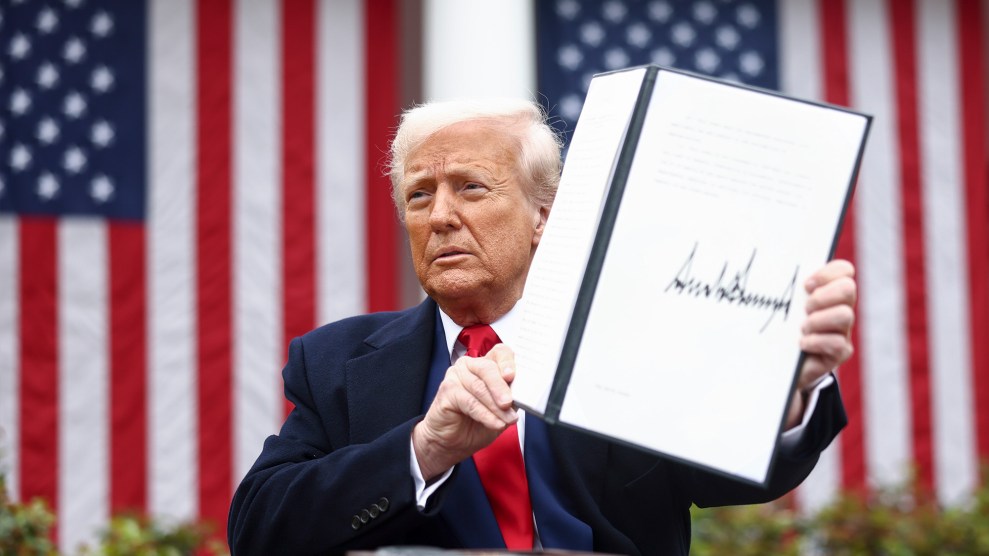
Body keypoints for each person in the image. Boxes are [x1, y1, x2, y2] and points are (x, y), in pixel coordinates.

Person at [228, 99, 854, 555]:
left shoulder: (630, 341)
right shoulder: (337, 362)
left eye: (472, 188)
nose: (441, 215)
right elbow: (259, 529)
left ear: (543, 218)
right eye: (419, 196)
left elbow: (734, 472)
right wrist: (425, 450)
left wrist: (791, 386)